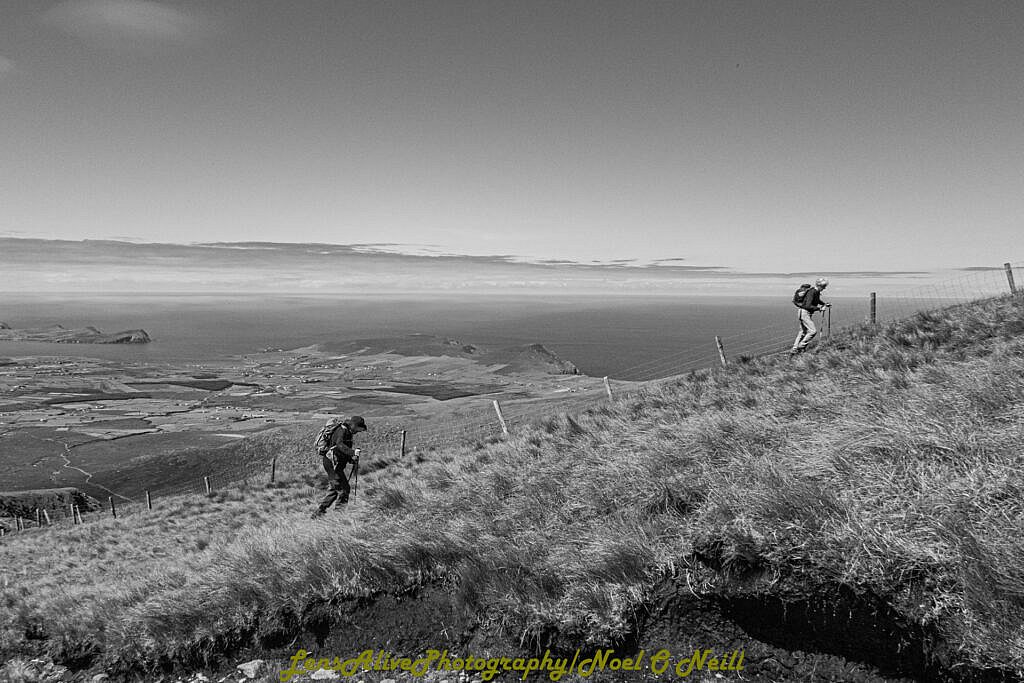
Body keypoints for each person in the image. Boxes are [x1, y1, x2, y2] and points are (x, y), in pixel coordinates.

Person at [311, 415, 367, 517]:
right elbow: (340, 445)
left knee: (335, 489)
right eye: (359, 429)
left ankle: (319, 512)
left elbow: (339, 449)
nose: (358, 432)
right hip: (332, 465)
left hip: (333, 464)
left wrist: (350, 459)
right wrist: (353, 452)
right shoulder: (342, 431)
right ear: (354, 425)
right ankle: (338, 515)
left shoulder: (347, 432)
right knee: (344, 489)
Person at [791, 277, 831, 355]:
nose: (824, 288)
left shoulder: (815, 292)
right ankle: (800, 347)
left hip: (803, 312)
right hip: (805, 313)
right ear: (819, 285)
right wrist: (819, 308)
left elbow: (816, 301)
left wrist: (824, 304)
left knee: (802, 331)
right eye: (823, 286)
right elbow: (808, 305)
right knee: (813, 331)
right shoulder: (812, 292)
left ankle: (794, 349)